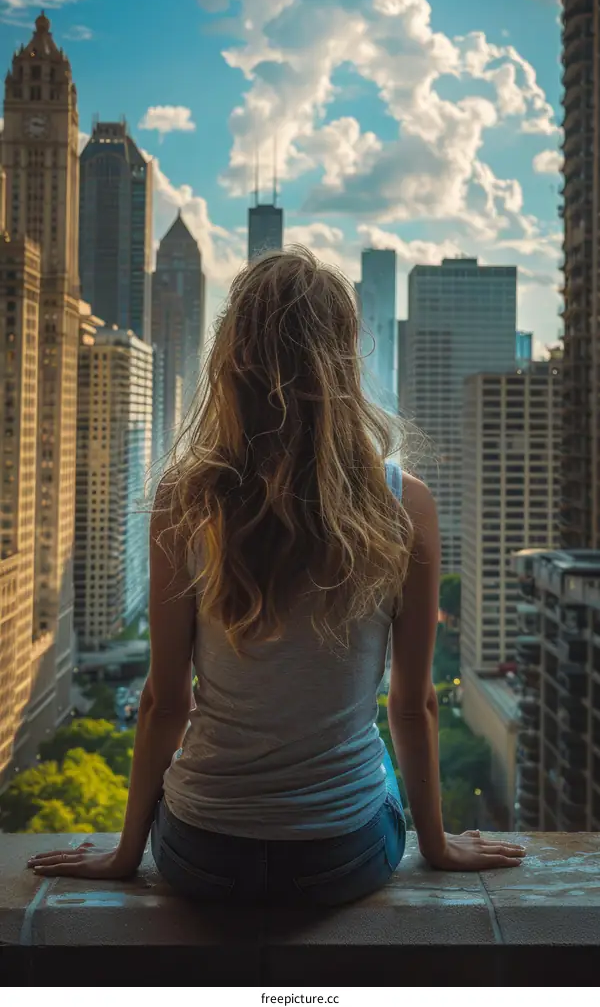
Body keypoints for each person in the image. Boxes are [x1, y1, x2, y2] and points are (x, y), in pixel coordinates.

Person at [27, 247, 526, 904]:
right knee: (372, 762)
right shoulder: (405, 503)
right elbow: (413, 703)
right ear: (344, 360)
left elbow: (165, 700)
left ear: (232, 357)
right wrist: (437, 847)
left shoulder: (185, 497)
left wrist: (126, 855)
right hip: (342, 857)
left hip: (199, 855)